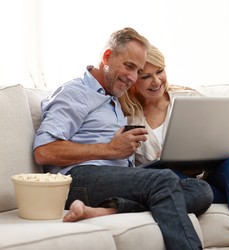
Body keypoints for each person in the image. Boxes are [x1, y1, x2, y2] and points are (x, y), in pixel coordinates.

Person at [33, 27, 214, 250]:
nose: (132, 77)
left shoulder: (114, 98)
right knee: (164, 180)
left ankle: (109, 209)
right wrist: (110, 149)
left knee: (201, 190)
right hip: (76, 179)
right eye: (129, 67)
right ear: (107, 56)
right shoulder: (75, 92)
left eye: (138, 70)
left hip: (114, 178)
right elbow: (44, 151)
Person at [119, 45, 229, 247]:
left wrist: (196, 155)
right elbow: (128, 168)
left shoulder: (189, 99)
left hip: (203, 174)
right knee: (168, 175)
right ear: (134, 79)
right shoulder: (126, 112)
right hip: (171, 181)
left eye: (159, 71)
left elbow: (216, 141)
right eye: (146, 76)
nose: (156, 81)